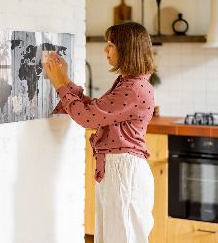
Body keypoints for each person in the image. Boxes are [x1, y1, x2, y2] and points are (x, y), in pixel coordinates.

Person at [44, 21, 156, 243]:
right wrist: (65, 80)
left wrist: (59, 85)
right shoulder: (129, 83)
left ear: (127, 49)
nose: (105, 49)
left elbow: (87, 118)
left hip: (124, 172)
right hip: (119, 170)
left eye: (111, 44)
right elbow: (95, 110)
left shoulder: (133, 88)